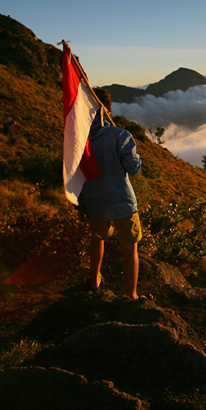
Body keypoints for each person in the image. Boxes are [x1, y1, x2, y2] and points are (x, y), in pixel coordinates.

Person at [78, 88, 143, 299]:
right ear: (108, 109)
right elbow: (133, 168)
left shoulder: (79, 140)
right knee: (130, 247)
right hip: (122, 200)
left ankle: (94, 278)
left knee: (97, 239)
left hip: (94, 200)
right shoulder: (121, 136)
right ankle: (131, 294)